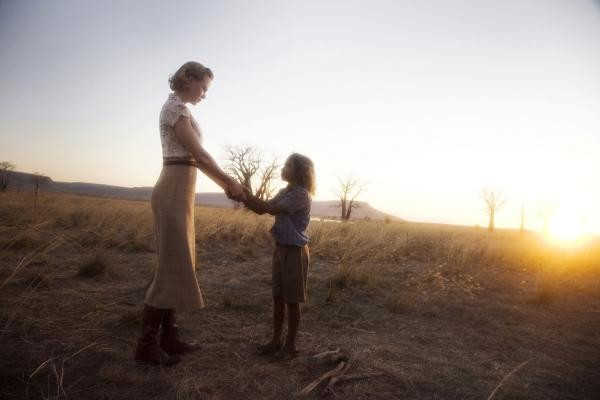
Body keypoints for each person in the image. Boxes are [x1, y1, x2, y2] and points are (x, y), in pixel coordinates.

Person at [135, 61, 246, 366]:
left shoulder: (181, 108)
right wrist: (228, 182)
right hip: (172, 190)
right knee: (170, 266)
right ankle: (146, 346)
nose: (205, 95)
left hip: (181, 193)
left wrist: (226, 183)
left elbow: (196, 158)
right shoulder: (175, 109)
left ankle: (169, 338)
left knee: (178, 264)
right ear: (189, 79)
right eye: (204, 87)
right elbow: (199, 155)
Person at [243, 153, 315, 361]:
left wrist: (245, 195)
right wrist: (242, 195)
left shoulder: (301, 194)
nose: (283, 168)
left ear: (300, 172)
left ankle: (290, 346)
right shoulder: (285, 191)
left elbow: (270, 208)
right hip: (281, 248)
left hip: (294, 250)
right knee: (277, 297)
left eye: (288, 165)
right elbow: (261, 209)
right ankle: (276, 340)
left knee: (292, 301)